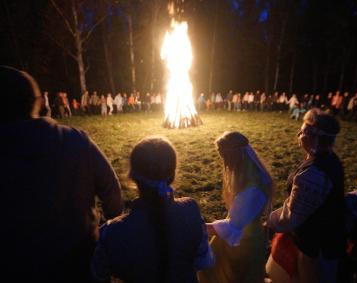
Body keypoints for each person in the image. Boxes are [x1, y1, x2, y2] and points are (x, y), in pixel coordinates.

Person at [0, 65, 123, 283]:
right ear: (37, 102)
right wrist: (110, 228)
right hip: (81, 263)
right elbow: (111, 188)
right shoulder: (75, 140)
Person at [92, 137, 214, 282]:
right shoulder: (191, 211)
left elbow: (98, 275)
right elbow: (204, 261)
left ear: (132, 177)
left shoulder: (111, 232)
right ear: (173, 174)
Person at [267, 109, 345, 283]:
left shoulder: (313, 175)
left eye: (302, 131)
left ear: (312, 137)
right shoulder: (330, 159)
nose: (298, 134)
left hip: (315, 246)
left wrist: (268, 222)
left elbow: (292, 216)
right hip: (323, 238)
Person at [198, 131, 273, 283]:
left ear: (234, 156)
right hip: (243, 239)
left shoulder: (254, 188)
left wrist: (201, 228)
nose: (223, 162)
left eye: (223, 156)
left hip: (244, 244)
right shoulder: (249, 174)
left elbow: (234, 226)